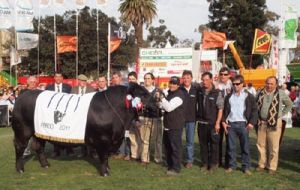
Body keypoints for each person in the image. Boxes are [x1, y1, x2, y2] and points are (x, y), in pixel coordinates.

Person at [222, 75, 258, 175]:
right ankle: (231, 166)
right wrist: (224, 121)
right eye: (234, 84)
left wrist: (251, 123)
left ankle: (246, 167)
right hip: (231, 125)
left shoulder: (248, 96)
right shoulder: (228, 96)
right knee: (231, 147)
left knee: (245, 147)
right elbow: (225, 111)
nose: (235, 86)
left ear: (242, 84)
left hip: (243, 124)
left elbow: (254, 110)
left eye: (237, 84)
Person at [256, 76, 292, 175]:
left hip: (275, 123)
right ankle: (261, 164)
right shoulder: (260, 92)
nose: (269, 85)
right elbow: (256, 105)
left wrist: (280, 115)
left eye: (271, 83)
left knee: (274, 146)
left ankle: (272, 166)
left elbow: (289, 104)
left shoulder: (280, 93)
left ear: (276, 84)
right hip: (261, 122)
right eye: (267, 83)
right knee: (260, 145)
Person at [196, 72, 224, 171]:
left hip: (213, 124)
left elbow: (220, 109)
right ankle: (204, 164)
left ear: (211, 80)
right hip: (201, 123)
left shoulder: (217, 93)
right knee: (203, 145)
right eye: (203, 80)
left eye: (207, 80)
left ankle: (213, 164)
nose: (204, 82)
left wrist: (217, 123)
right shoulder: (199, 91)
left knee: (214, 145)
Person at [158, 76, 186, 175]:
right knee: (168, 147)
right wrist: (162, 102)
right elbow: (162, 106)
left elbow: (168, 108)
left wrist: (162, 98)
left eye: (174, 83)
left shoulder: (180, 95)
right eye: (171, 83)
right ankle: (170, 165)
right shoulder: (169, 93)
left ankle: (176, 168)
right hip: (167, 124)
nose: (172, 85)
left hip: (175, 125)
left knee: (175, 148)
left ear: (178, 85)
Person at [46, 72, 72, 157]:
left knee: (67, 131)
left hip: (66, 113)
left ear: (62, 78)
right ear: (54, 78)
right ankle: (56, 150)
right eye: (56, 77)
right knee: (55, 132)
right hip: (54, 113)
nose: (58, 78)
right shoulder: (49, 87)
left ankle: (69, 149)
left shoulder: (68, 87)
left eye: (59, 77)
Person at [140, 72, 163, 165]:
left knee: (158, 140)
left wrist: (159, 100)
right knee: (145, 139)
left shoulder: (158, 90)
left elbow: (162, 104)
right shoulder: (141, 91)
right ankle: (145, 158)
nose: (147, 80)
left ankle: (158, 158)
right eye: (145, 78)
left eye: (149, 78)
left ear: (153, 80)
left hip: (156, 117)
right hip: (145, 117)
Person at [71, 74, 95, 158]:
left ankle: (91, 152)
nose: (82, 82)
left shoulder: (91, 89)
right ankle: (83, 151)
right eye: (81, 81)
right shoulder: (73, 89)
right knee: (80, 133)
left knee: (90, 133)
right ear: (78, 81)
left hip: (88, 115)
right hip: (77, 115)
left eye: (84, 81)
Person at [180, 70, 198, 168]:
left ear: (191, 78)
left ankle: (189, 160)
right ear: (182, 79)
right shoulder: (179, 90)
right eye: (184, 78)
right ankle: (177, 158)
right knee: (178, 140)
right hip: (179, 119)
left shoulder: (196, 90)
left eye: (188, 78)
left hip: (191, 120)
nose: (186, 80)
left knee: (190, 141)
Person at [215, 67, 232, 167]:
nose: (223, 76)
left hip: (229, 117)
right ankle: (218, 161)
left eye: (225, 74)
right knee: (218, 140)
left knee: (230, 140)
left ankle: (228, 162)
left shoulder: (234, 84)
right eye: (221, 74)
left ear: (229, 75)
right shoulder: (215, 85)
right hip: (218, 115)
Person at [127, 71, 142, 161]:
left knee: (139, 137)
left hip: (138, 116)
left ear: (136, 80)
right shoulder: (127, 90)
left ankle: (140, 155)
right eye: (130, 79)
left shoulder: (140, 90)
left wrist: (138, 118)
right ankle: (134, 154)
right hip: (129, 117)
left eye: (133, 79)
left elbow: (140, 104)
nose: (131, 81)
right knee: (131, 137)